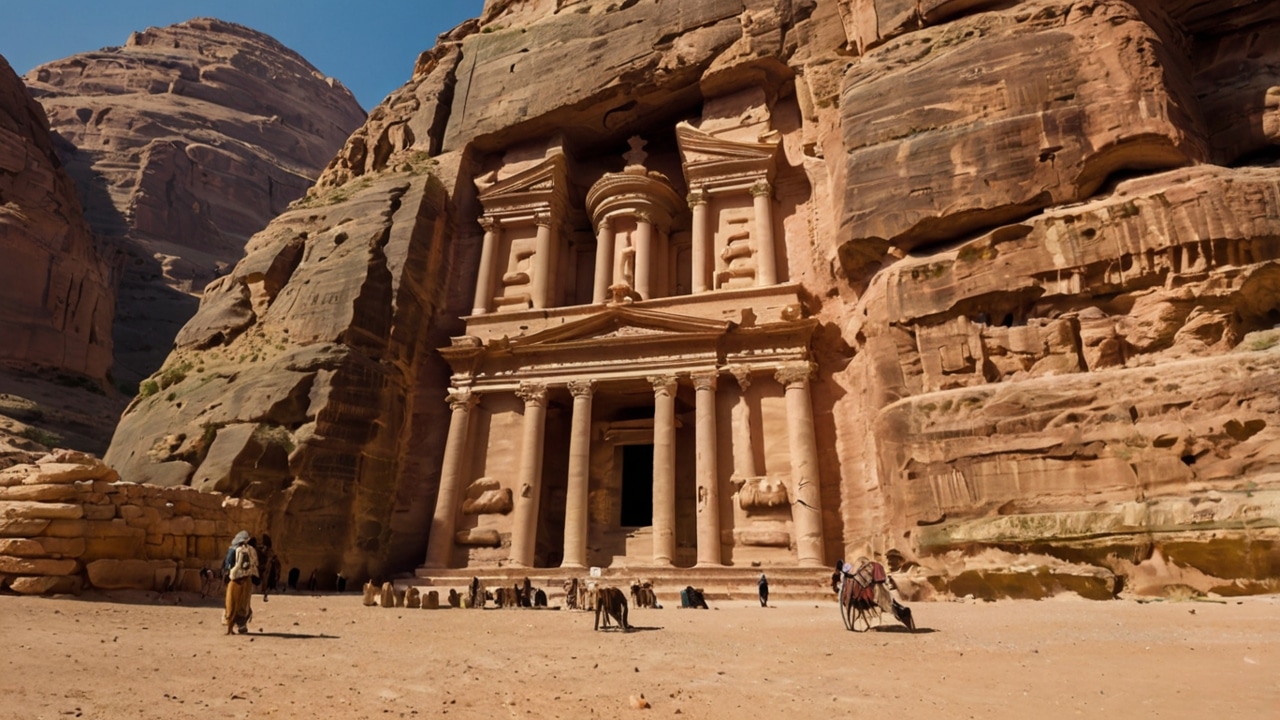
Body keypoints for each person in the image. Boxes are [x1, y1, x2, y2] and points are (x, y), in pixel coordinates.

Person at [223, 531, 259, 635]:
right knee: (244, 603)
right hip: (247, 580)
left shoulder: (233, 549)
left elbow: (228, 564)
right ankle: (242, 625)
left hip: (235, 580)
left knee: (232, 603)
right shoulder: (251, 550)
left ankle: (230, 628)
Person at [259, 534, 282, 602]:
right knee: (268, 581)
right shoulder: (268, 550)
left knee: (268, 581)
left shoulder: (268, 550)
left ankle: (266, 594)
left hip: (269, 569)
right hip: (269, 568)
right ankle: (266, 593)